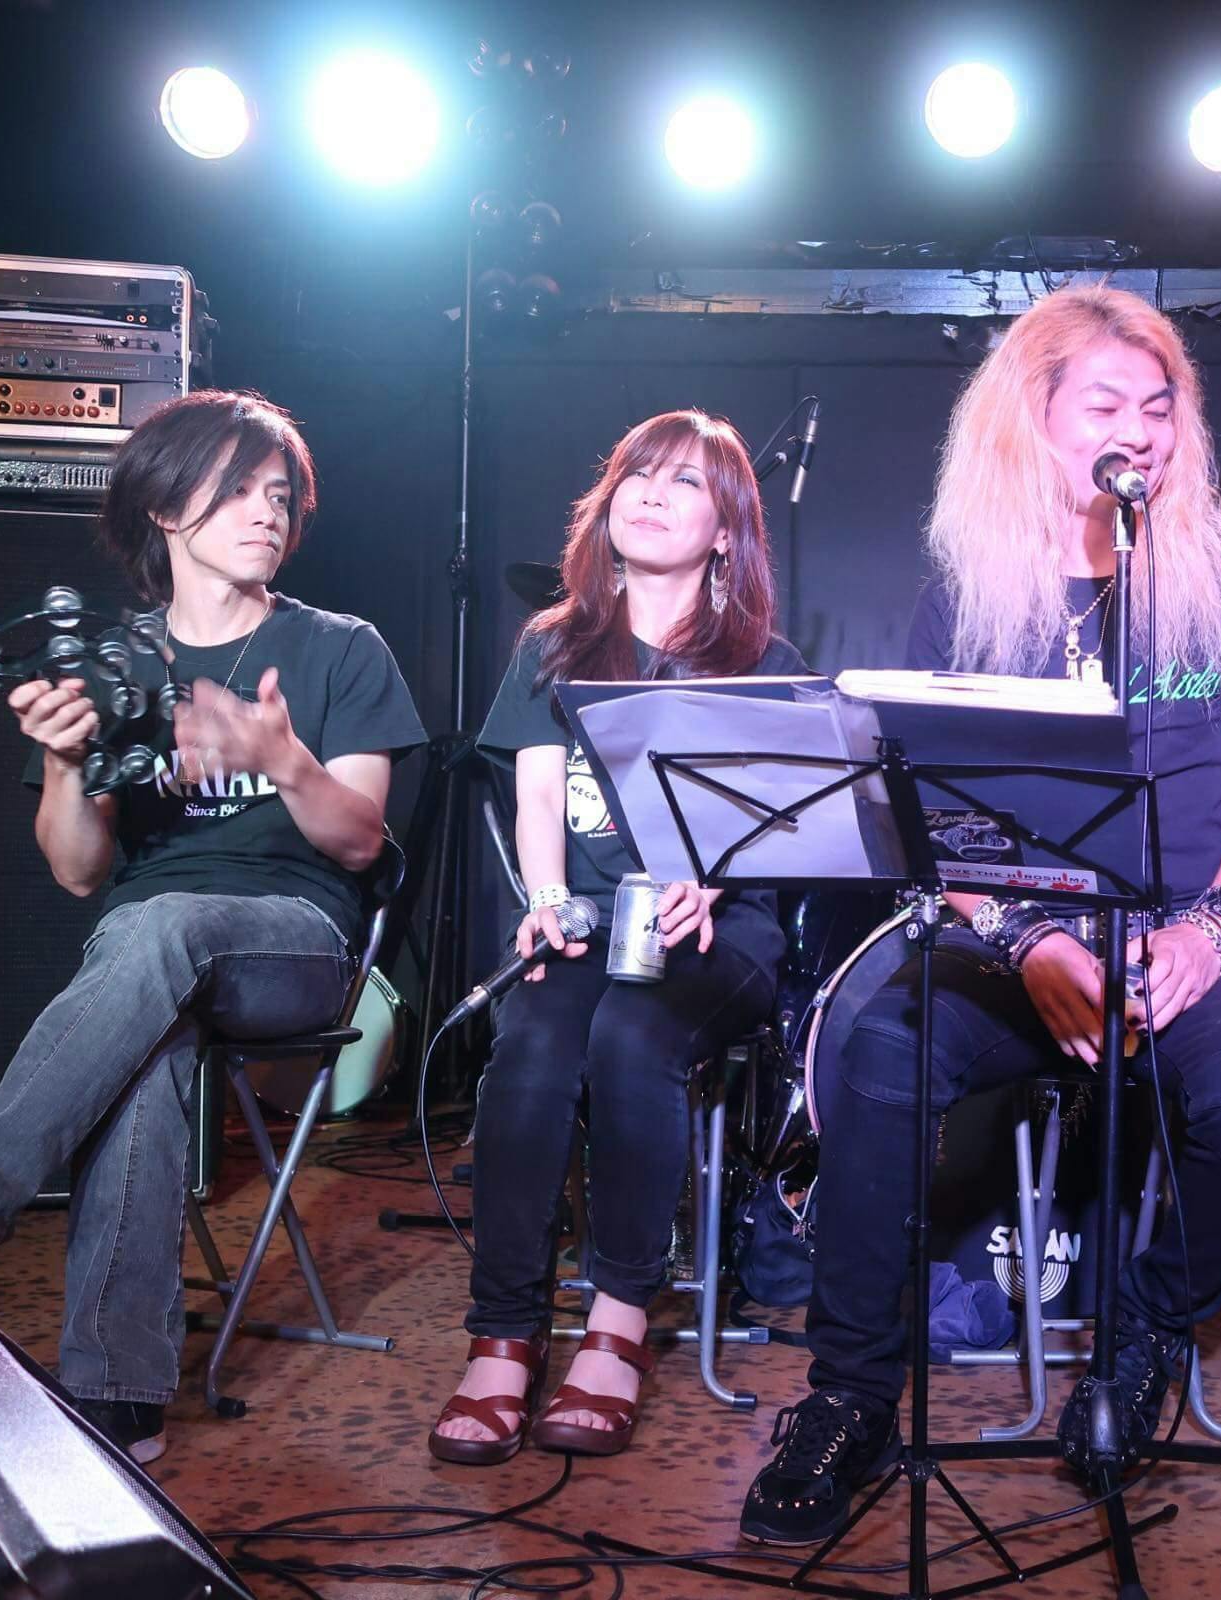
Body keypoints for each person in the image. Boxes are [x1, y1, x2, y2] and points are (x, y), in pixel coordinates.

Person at [739, 282, 1221, 1545]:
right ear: (1033, 418)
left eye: (1158, 407)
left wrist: (1211, 929)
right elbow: (935, 819)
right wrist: (1030, 941)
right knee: (882, 1056)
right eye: (1105, 405)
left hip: (1187, 925)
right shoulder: (971, 590)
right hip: (1014, 926)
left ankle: (1147, 1330)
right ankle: (849, 1398)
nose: (1139, 431)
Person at [0, 391, 428, 1464]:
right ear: (163, 505)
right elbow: (76, 869)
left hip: (294, 943)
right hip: (149, 960)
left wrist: (282, 759)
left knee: (161, 927)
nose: (267, 511)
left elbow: (359, 844)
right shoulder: (111, 661)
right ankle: (117, 1399)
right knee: (148, 1020)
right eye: (238, 489)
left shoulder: (340, 648)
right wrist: (66, 763)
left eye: (280, 494)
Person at [430, 409, 809, 1465]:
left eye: (686, 482)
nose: (651, 493)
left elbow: (784, 824)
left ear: (726, 530)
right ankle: (504, 1332)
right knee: (532, 1045)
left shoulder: (761, 660)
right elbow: (536, 796)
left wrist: (711, 877)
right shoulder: (553, 643)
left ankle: (618, 1322)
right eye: (639, 473)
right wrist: (547, 897)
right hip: (592, 925)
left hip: (717, 933)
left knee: (633, 1037)